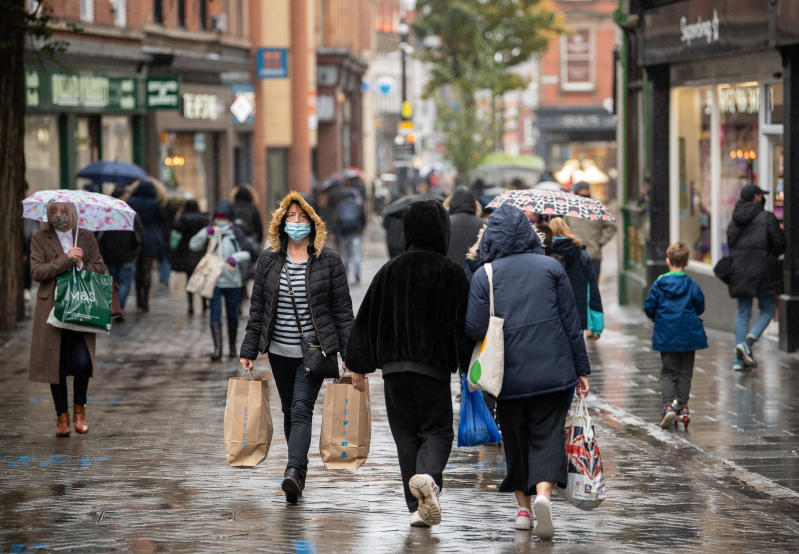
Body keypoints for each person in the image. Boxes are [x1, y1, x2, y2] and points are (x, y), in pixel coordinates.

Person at [465, 204, 590, 539]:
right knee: (548, 434)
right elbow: (571, 323)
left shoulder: (484, 275)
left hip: (507, 375)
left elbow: (474, 327)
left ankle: (523, 510)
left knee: (515, 438)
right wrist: (582, 370)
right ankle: (545, 495)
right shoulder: (551, 267)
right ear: (527, 233)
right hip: (554, 370)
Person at [346, 200, 471, 528]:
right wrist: (469, 362)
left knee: (405, 437)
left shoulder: (390, 270)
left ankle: (416, 506)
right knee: (438, 431)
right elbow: (465, 326)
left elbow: (366, 319)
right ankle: (428, 480)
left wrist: (358, 365)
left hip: (394, 372)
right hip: (432, 369)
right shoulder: (451, 273)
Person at [239, 191, 354, 504]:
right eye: (291, 216)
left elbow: (343, 311)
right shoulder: (269, 259)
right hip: (278, 351)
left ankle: (293, 470)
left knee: (302, 408)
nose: (297, 222)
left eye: (302, 217)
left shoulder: (328, 259)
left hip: (316, 352)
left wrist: (352, 356)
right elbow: (258, 308)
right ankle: (298, 474)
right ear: (281, 221)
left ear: (313, 221)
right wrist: (249, 350)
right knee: (290, 410)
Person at [29, 201, 107, 436]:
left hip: (82, 307)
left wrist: (82, 263)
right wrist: (65, 258)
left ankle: (80, 411)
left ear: (72, 213)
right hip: (52, 309)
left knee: (83, 362)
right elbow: (37, 272)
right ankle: (61, 418)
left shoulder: (85, 236)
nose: (59, 216)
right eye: (53, 212)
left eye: (63, 211)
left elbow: (100, 268)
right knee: (57, 365)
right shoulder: (39, 239)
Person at [644, 241, 708, 429]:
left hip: (667, 334)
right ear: (687, 262)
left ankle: (667, 406)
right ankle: (683, 407)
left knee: (668, 371)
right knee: (685, 372)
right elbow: (700, 306)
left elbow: (649, 307)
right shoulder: (691, 284)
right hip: (689, 335)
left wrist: (658, 317)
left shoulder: (659, 284)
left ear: (667, 261)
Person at [726, 184, 786, 370]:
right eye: (761, 195)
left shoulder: (735, 219)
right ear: (757, 197)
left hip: (740, 270)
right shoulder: (767, 218)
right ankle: (747, 344)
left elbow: (730, 242)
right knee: (768, 309)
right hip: (763, 270)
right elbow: (780, 245)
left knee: (743, 311)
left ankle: (739, 360)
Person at [190, 200, 252, 360]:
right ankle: (217, 349)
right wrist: (205, 233)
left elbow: (247, 252)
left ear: (230, 218)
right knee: (214, 313)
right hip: (214, 281)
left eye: (223, 217)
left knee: (233, 315)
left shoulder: (236, 233)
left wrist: (234, 258)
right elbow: (193, 245)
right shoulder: (210, 232)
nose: (220, 220)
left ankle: (231, 347)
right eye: (217, 217)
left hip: (233, 282)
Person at [548, 217, 604, 340]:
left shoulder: (543, 254)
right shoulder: (582, 255)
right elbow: (592, 290)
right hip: (577, 315)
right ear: (567, 229)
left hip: (551, 316)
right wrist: (597, 326)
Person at [96, 188, 145, 312]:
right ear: (122, 197)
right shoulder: (130, 213)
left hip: (110, 255)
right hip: (128, 254)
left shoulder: (105, 214)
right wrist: (138, 249)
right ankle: (118, 308)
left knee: (115, 283)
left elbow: (97, 235)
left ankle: (116, 306)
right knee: (125, 284)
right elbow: (141, 235)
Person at [564, 181, 617, 279]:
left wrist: (600, 242)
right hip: (574, 255)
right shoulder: (570, 208)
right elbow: (564, 227)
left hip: (592, 255)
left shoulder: (597, 207)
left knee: (592, 287)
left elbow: (612, 226)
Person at [127, 181, 166, 312]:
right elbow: (161, 218)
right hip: (151, 237)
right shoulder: (154, 203)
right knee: (147, 269)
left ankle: (139, 298)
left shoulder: (131, 201)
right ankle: (145, 300)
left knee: (137, 268)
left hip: (135, 235)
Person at [169, 199, 209, 315]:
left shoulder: (181, 219)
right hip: (201, 253)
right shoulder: (204, 219)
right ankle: (203, 304)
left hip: (186, 253)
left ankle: (191, 305)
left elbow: (175, 235)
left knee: (189, 279)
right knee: (202, 279)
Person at [334, 177, 366, 284]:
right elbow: (363, 219)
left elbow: (337, 221)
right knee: (357, 254)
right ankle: (357, 274)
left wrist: (337, 235)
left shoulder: (341, 206)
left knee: (346, 254)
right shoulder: (358, 205)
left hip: (345, 233)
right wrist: (361, 230)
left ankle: (345, 274)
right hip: (356, 233)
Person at [444, 186, 484, 269]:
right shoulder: (483, 224)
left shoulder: (444, 222)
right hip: (475, 274)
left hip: (449, 274)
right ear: (474, 203)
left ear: (452, 203)